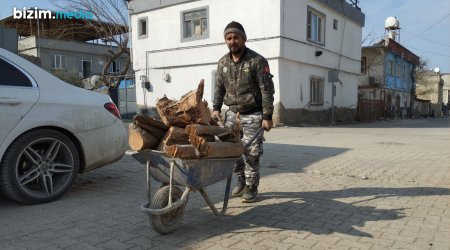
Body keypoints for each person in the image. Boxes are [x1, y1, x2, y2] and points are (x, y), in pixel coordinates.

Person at [212, 21, 275, 203]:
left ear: (244, 39)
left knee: (251, 153)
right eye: (229, 38)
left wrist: (267, 117)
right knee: (231, 150)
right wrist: (216, 108)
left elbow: (266, 91)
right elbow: (219, 88)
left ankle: (252, 186)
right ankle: (241, 179)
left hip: (253, 114)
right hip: (232, 114)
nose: (232, 41)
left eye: (236, 37)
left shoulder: (257, 61)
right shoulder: (222, 63)